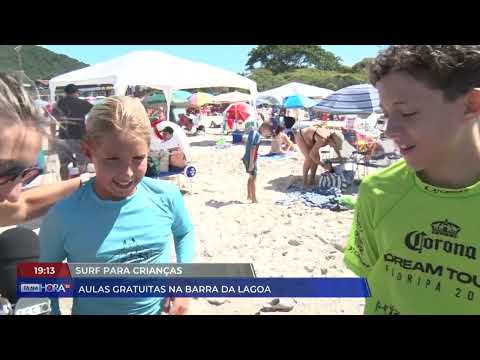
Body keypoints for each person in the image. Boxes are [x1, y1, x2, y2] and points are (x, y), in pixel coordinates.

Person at [344, 45, 480, 315]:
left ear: (470, 104)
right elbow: (369, 273)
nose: (389, 130)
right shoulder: (378, 191)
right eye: (385, 114)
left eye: (407, 112)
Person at [39, 96, 195, 315]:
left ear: (149, 150)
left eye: (138, 158)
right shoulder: (64, 215)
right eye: (112, 159)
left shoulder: (166, 196)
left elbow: (185, 231)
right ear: (88, 152)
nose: (127, 173)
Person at [0, 73, 88, 227]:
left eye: (26, 174)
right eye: (4, 172)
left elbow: (23, 205)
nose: (14, 196)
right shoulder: (83, 103)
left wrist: (88, 183)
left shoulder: (59, 104)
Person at [51, 83, 93, 180]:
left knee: (64, 164)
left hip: (62, 137)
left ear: (65, 93)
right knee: (82, 163)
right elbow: (95, 117)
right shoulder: (83, 103)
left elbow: (52, 122)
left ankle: (65, 184)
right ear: (77, 93)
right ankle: (82, 184)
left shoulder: (58, 104)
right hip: (79, 137)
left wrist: (52, 137)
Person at [242, 123, 273, 203]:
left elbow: (249, 145)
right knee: (254, 179)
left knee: (250, 177)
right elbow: (253, 148)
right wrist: (252, 163)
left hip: (246, 157)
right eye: (268, 132)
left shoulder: (253, 132)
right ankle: (254, 198)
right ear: (263, 128)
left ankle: (249, 195)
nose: (268, 134)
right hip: (251, 159)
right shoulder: (258, 135)